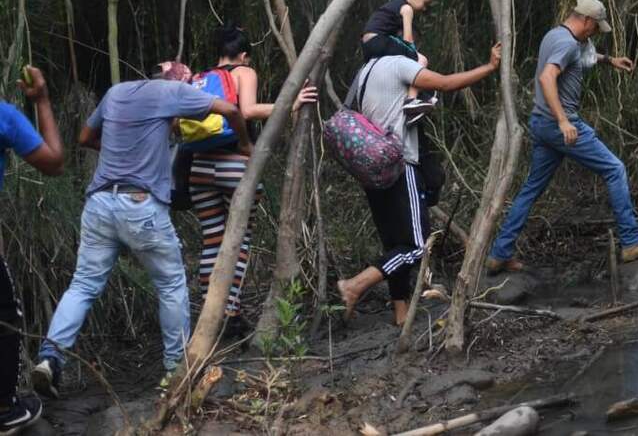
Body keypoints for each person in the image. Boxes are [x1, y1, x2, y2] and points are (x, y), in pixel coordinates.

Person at [31, 61, 251, 399]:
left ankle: (50, 358)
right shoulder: (173, 91)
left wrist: (119, 154)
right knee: (171, 284)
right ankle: (177, 369)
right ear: (179, 82)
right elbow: (230, 110)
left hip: (100, 204)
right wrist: (244, 145)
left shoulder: (117, 92)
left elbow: (85, 137)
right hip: (140, 206)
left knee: (84, 285)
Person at [486, 0, 638, 273]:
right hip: (561, 126)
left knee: (531, 189)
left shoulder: (556, 35)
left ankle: (500, 253)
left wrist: (610, 60)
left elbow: (582, 58)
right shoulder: (566, 43)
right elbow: (547, 78)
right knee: (615, 169)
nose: (595, 33)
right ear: (586, 21)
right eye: (596, 28)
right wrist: (563, 121)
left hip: (541, 123)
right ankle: (631, 242)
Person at [337, 41, 503, 326]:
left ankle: (401, 314)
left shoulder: (363, 72)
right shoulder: (399, 65)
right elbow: (447, 83)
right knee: (417, 246)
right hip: (402, 165)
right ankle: (355, 285)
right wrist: (490, 66)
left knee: (394, 244)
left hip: (372, 170)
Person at [188, 25, 317, 338]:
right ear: (243, 54)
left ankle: (211, 312)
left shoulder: (199, 79)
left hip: (199, 169)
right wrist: (292, 104)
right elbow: (248, 110)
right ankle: (230, 313)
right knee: (239, 241)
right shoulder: (244, 71)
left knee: (212, 241)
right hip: (235, 167)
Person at [0, 66, 64, 434]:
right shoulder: (5, 117)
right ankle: (4, 410)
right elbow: (54, 162)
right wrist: (40, 99)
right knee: (5, 318)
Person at [361, 0, 438, 124]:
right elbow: (407, 40)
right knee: (421, 59)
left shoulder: (393, 5)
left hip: (369, 44)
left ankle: (420, 96)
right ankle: (411, 100)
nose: (424, 9)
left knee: (409, 57)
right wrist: (413, 54)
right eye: (425, 3)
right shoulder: (406, 8)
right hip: (379, 41)